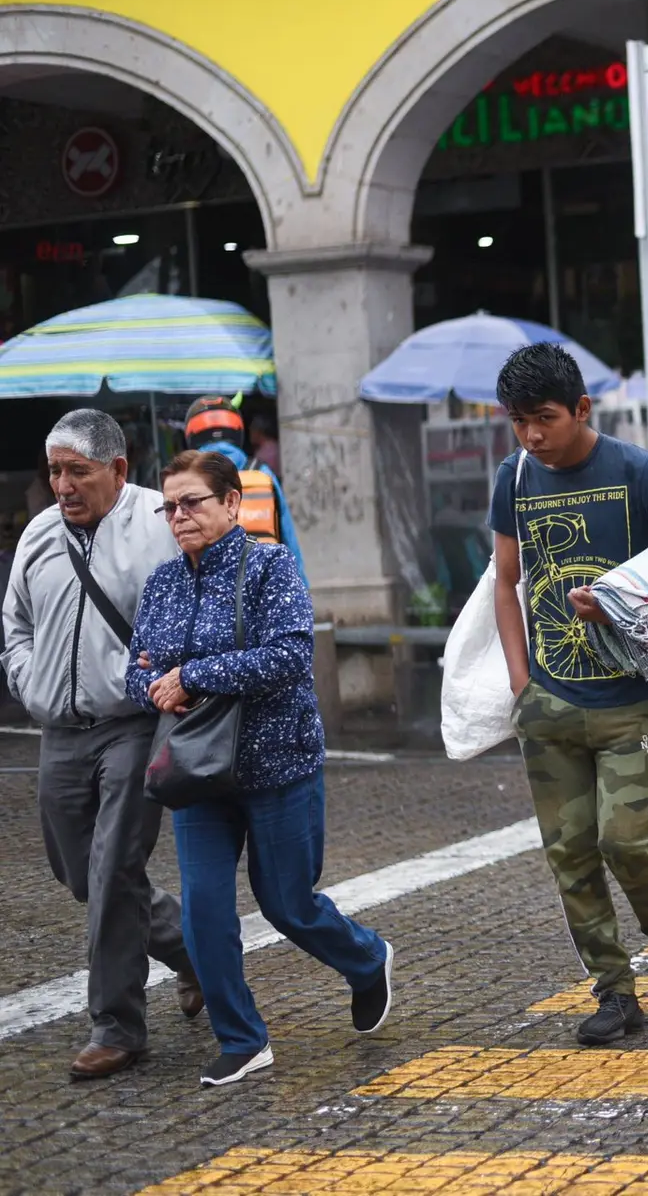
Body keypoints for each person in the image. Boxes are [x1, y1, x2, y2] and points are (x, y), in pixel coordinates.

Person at [127, 450, 392, 1088]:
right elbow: (137, 670)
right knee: (204, 912)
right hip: (196, 772)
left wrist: (193, 676)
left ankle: (367, 960)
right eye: (171, 506)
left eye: (193, 502)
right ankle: (242, 1038)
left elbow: (290, 656)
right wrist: (157, 687)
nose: (180, 516)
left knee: (287, 904)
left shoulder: (271, 565)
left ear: (230, 504)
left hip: (278, 764)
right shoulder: (163, 582)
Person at [490, 342, 648, 1046]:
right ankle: (613, 989)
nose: (532, 434)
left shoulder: (639, 471)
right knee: (570, 851)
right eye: (519, 420)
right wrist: (521, 683)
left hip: (631, 696)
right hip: (549, 701)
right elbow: (506, 577)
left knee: (623, 837)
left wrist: (621, 600)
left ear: (582, 408)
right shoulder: (516, 477)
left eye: (545, 418)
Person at [2, 410, 200, 1080]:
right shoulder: (36, 536)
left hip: (134, 724)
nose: (62, 484)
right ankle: (192, 950)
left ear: (118, 470)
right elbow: (17, 625)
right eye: (54, 470)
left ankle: (115, 1022)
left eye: (77, 471)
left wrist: (167, 683)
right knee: (78, 871)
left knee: (114, 866)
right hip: (58, 731)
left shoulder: (158, 525)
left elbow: (194, 611)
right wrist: (30, 683)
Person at [185, 396, 306, 583]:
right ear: (237, 432)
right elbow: (288, 538)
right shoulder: (262, 473)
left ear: (192, 435)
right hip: (265, 584)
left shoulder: (184, 480)